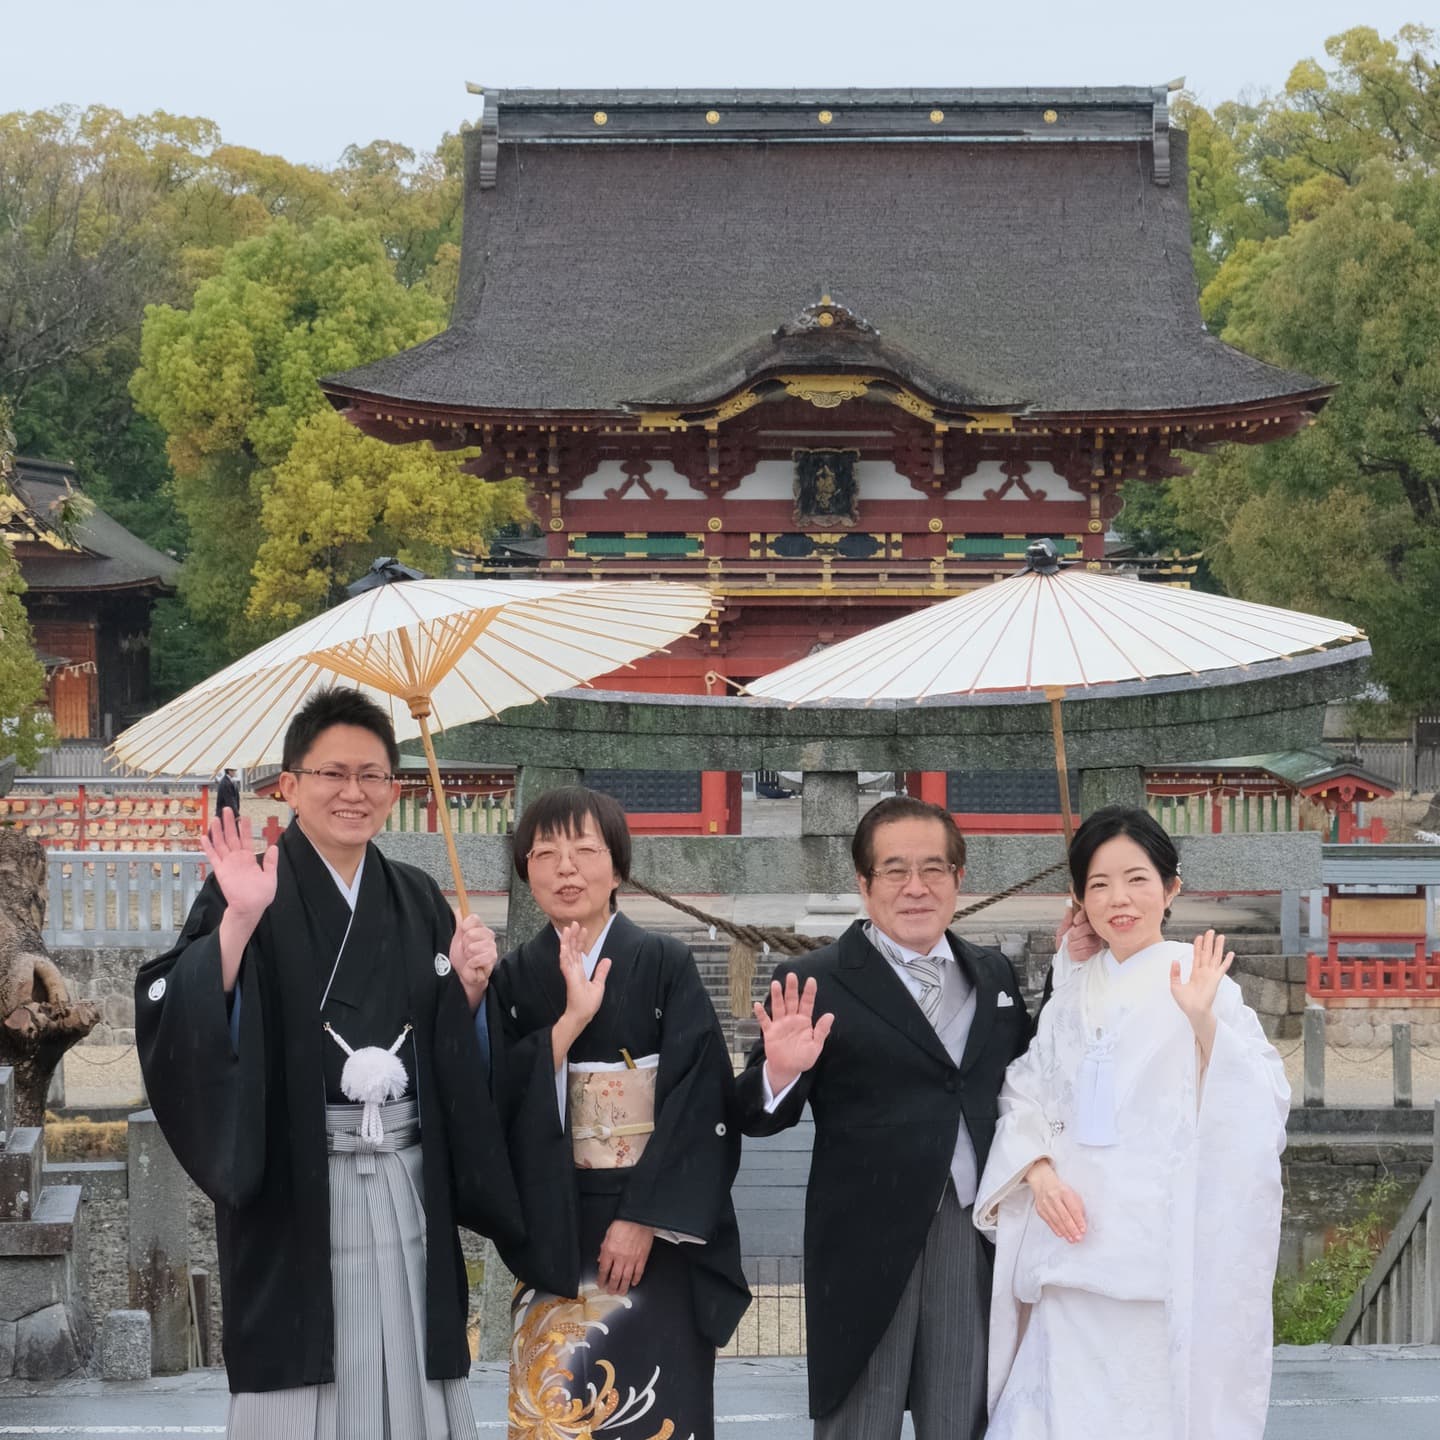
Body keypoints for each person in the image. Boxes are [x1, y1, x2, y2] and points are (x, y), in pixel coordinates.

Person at [135, 688, 527, 1440]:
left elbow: (455, 1052)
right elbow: (174, 1005)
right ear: (288, 784)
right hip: (296, 1184)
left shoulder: (415, 895)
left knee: (411, 1361)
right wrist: (240, 919)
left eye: (374, 775)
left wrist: (472, 992)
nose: (355, 793)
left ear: (394, 789)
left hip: (409, 1182)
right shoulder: (248, 888)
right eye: (332, 773)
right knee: (303, 1374)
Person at [975, 805, 1289, 1440]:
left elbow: (1260, 1106)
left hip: (1157, 1268)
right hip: (1070, 1261)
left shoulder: (1207, 985)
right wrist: (1037, 1173)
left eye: (1137, 879)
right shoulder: (1069, 997)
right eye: (1098, 883)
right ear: (1078, 898)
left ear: (1171, 888)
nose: (1119, 898)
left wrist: (1203, 1022)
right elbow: (1023, 1094)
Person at [734, 795, 1032, 1440]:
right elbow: (753, 1117)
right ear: (864, 885)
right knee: (859, 1419)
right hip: (863, 1236)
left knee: (962, 1411)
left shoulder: (995, 974)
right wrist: (780, 1071)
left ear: (959, 878)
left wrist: (1078, 968)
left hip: (970, 1223)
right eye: (895, 870)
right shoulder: (817, 981)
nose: (916, 887)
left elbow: (1033, 1079)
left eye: (934, 868)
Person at [491, 785, 749, 1440]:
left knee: (654, 1410)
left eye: (584, 849)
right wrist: (564, 1025)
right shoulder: (515, 977)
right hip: (555, 1226)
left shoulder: (663, 962)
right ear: (525, 869)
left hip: (653, 1237)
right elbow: (490, 1099)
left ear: (618, 865)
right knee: (559, 1409)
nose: (565, 868)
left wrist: (642, 1217)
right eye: (544, 853)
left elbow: (701, 1101)